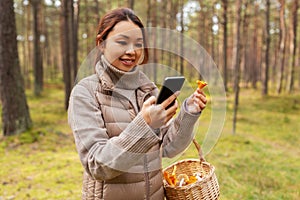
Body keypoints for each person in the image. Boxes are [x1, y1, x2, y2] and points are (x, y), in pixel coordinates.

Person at [68, 7, 207, 200]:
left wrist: (188, 114)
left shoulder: (148, 90)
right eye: (122, 42)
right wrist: (145, 125)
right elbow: (97, 165)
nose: (131, 51)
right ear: (101, 43)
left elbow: (169, 146)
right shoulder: (86, 93)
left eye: (138, 44)